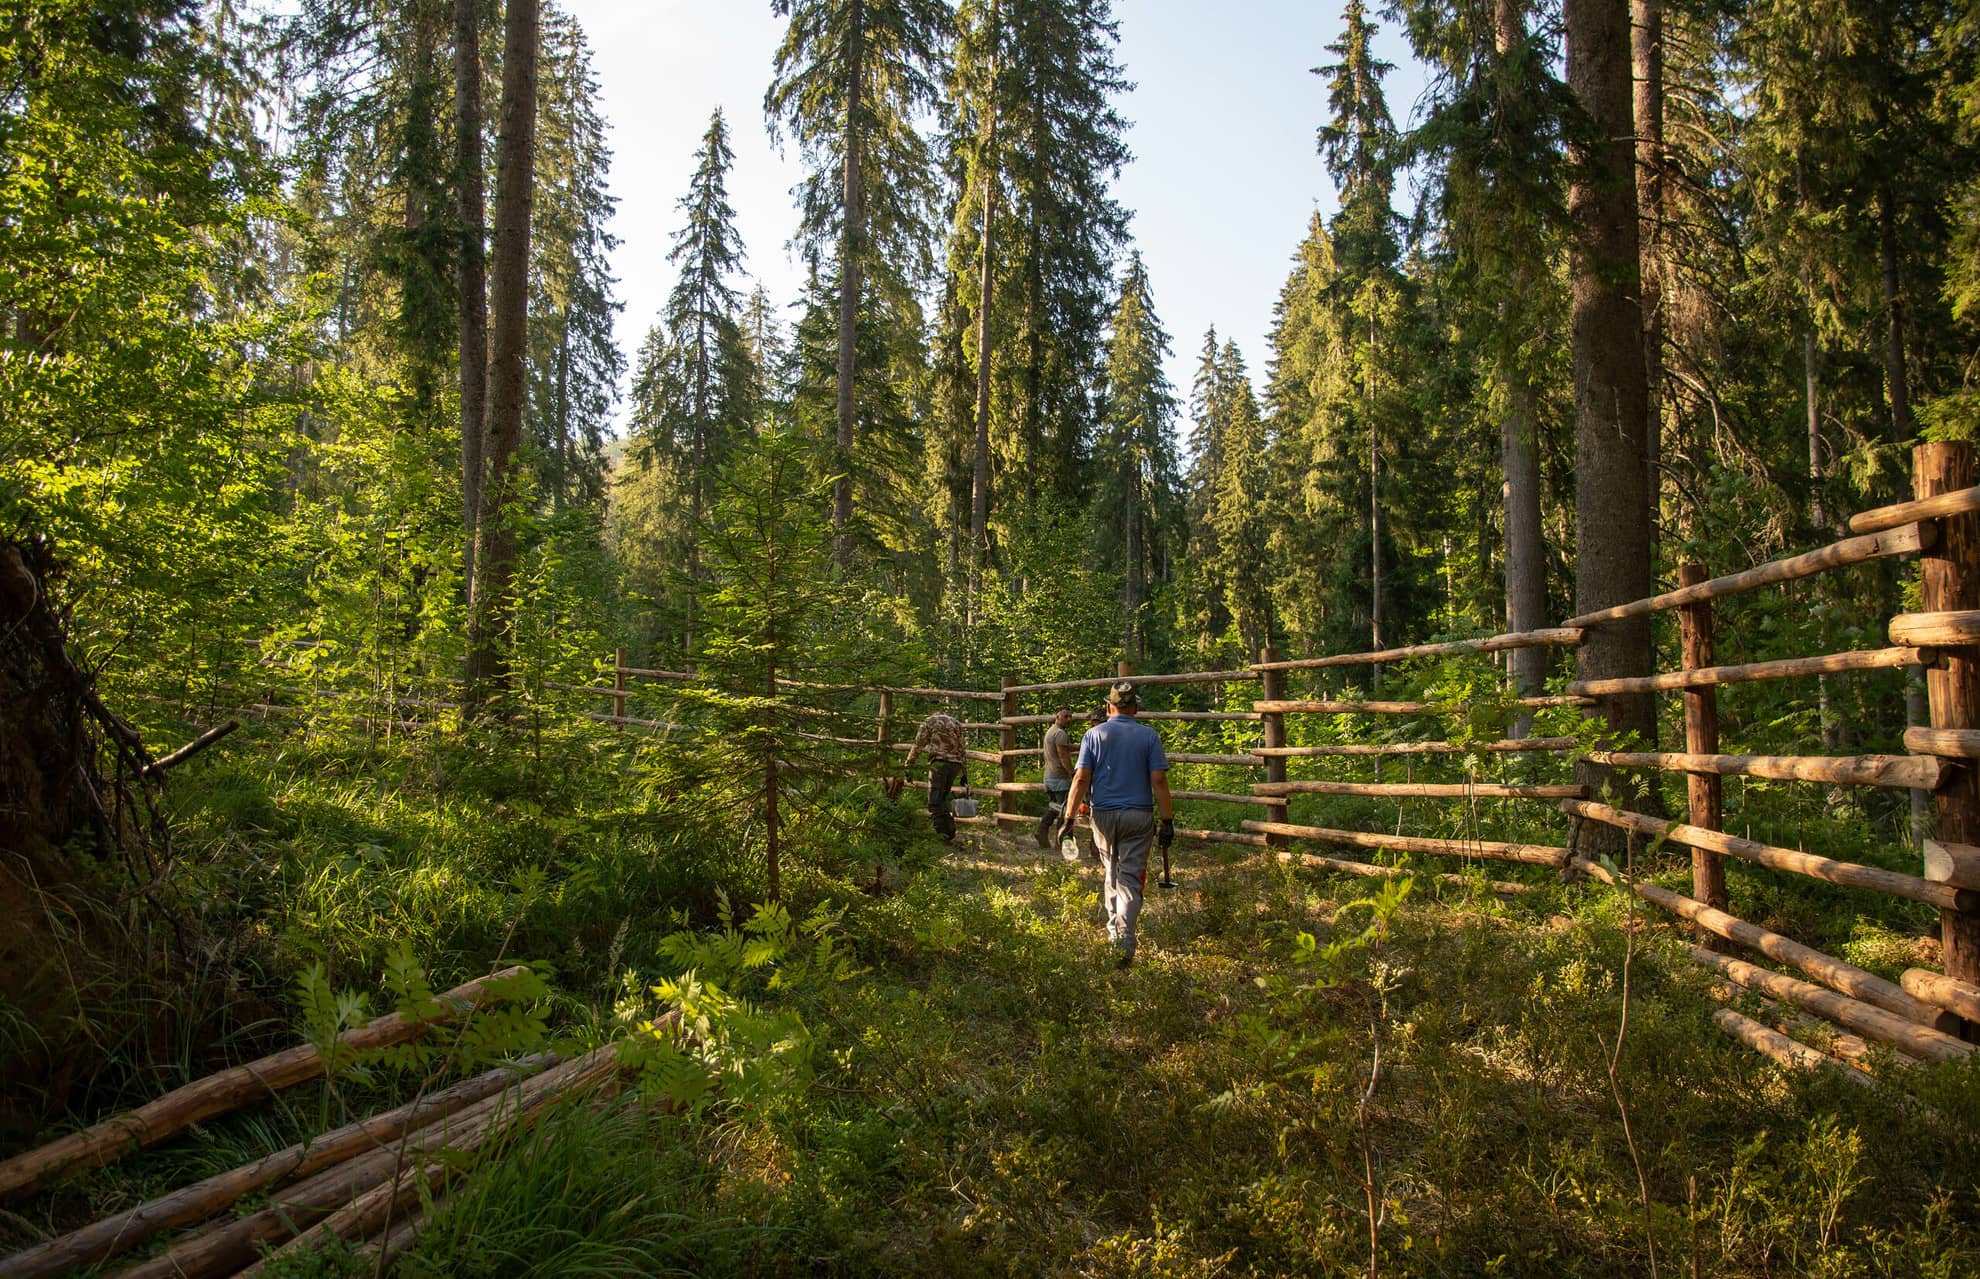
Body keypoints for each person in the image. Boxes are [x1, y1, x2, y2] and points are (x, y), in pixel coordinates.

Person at [1058, 681, 1174, 967]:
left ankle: (1115, 938)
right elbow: (1158, 781)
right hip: (1139, 815)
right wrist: (1167, 820)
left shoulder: (1093, 735)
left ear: (1109, 707)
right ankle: (1125, 941)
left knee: (1111, 873)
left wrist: (1068, 818)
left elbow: (1081, 779)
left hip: (1103, 816)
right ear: (1135, 708)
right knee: (1131, 879)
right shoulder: (1149, 736)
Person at [903, 709, 968, 841]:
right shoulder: (956, 723)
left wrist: (908, 764)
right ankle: (949, 832)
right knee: (942, 799)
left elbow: (918, 744)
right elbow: (962, 748)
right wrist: (964, 773)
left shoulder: (929, 722)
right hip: (955, 765)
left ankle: (941, 835)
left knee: (934, 802)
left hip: (939, 764)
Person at [1033, 707, 1077, 848]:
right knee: (1065, 811)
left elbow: (1065, 749)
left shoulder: (1051, 731)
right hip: (1060, 779)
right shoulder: (1060, 733)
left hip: (1049, 779)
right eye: (1065, 716)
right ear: (1057, 717)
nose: (1069, 719)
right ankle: (1064, 843)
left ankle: (1042, 831)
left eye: (1070, 716)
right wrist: (1072, 773)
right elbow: (1063, 756)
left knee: (1055, 808)